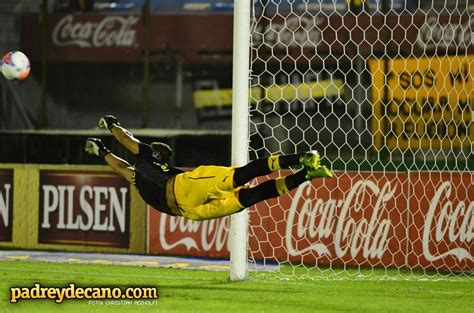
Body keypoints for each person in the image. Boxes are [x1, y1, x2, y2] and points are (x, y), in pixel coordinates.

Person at [85, 115, 333, 221]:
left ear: (158, 152)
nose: (149, 146)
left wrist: (110, 130)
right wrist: (108, 135)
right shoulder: (150, 163)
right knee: (245, 186)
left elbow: (123, 155)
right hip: (187, 201)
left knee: (248, 191)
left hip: (186, 209)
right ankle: (305, 170)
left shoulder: (144, 169)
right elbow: (125, 153)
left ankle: (302, 162)